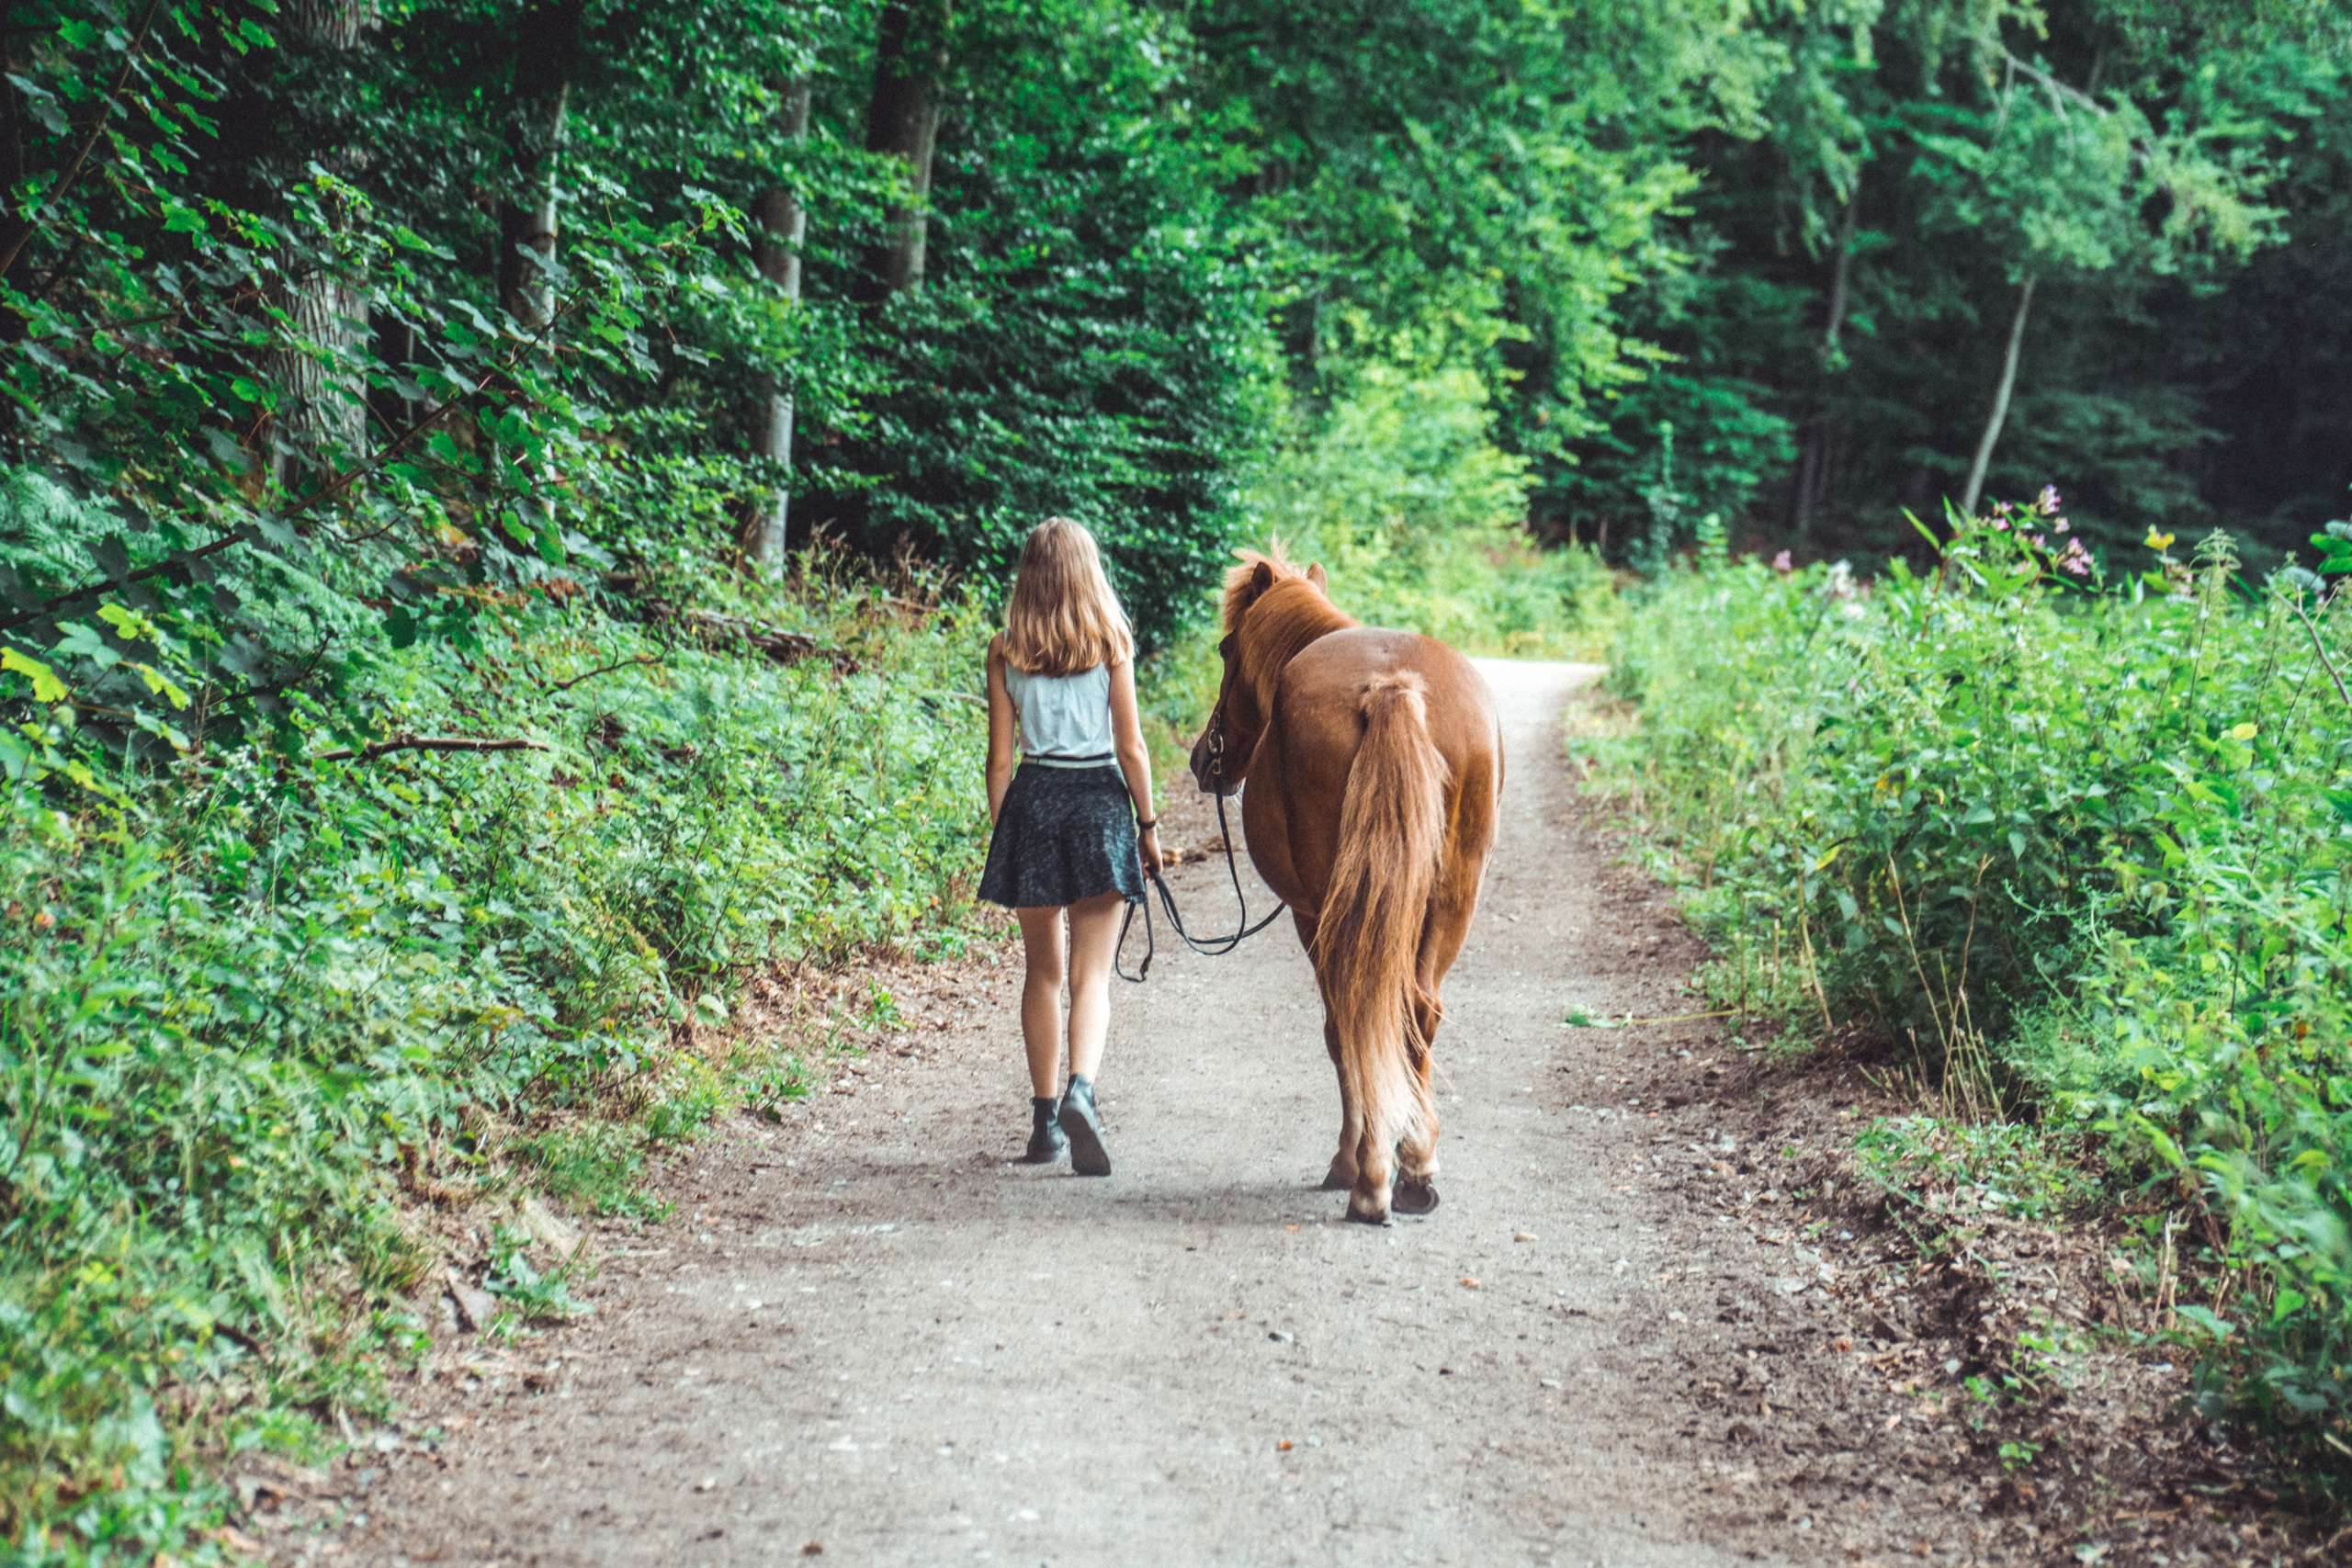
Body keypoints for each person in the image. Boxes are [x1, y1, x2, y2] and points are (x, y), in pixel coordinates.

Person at [978, 517, 1162, 1175]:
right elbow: (1133, 747)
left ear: (1028, 577)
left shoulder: (1005, 649)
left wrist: (1011, 834)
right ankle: (1083, 1089)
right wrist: (1147, 825)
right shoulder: (1112, 642)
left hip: (1035, 800)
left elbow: (1000, 761)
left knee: (1042, 972)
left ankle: (1043, 1122)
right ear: (1091, 572)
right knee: (1091, 975)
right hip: (1098, 805)